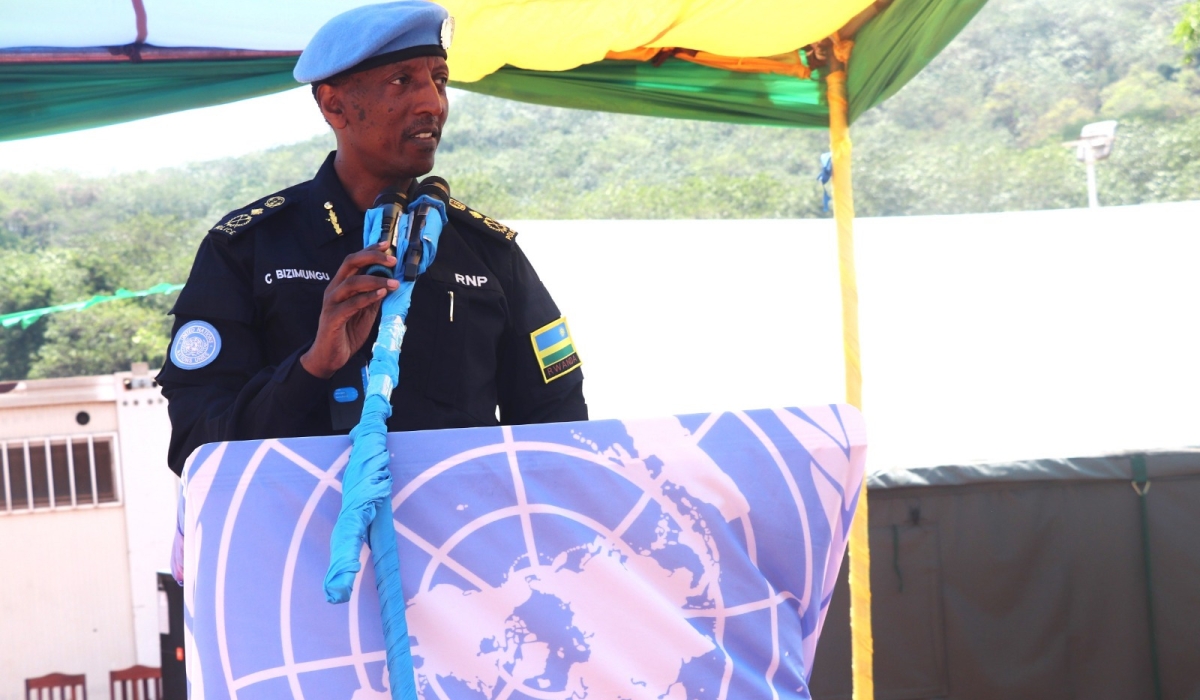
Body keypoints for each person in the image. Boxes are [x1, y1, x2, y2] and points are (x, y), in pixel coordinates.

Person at [157, 0, 586, 476]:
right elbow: (196, 447)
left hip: (456, 542)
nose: (432, 103)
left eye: (439, 80)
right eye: (402, 81)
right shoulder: (245, 248)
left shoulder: (489, 253)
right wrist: (313, 366)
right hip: (303, 546)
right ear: (333, 104)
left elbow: (557, 433)